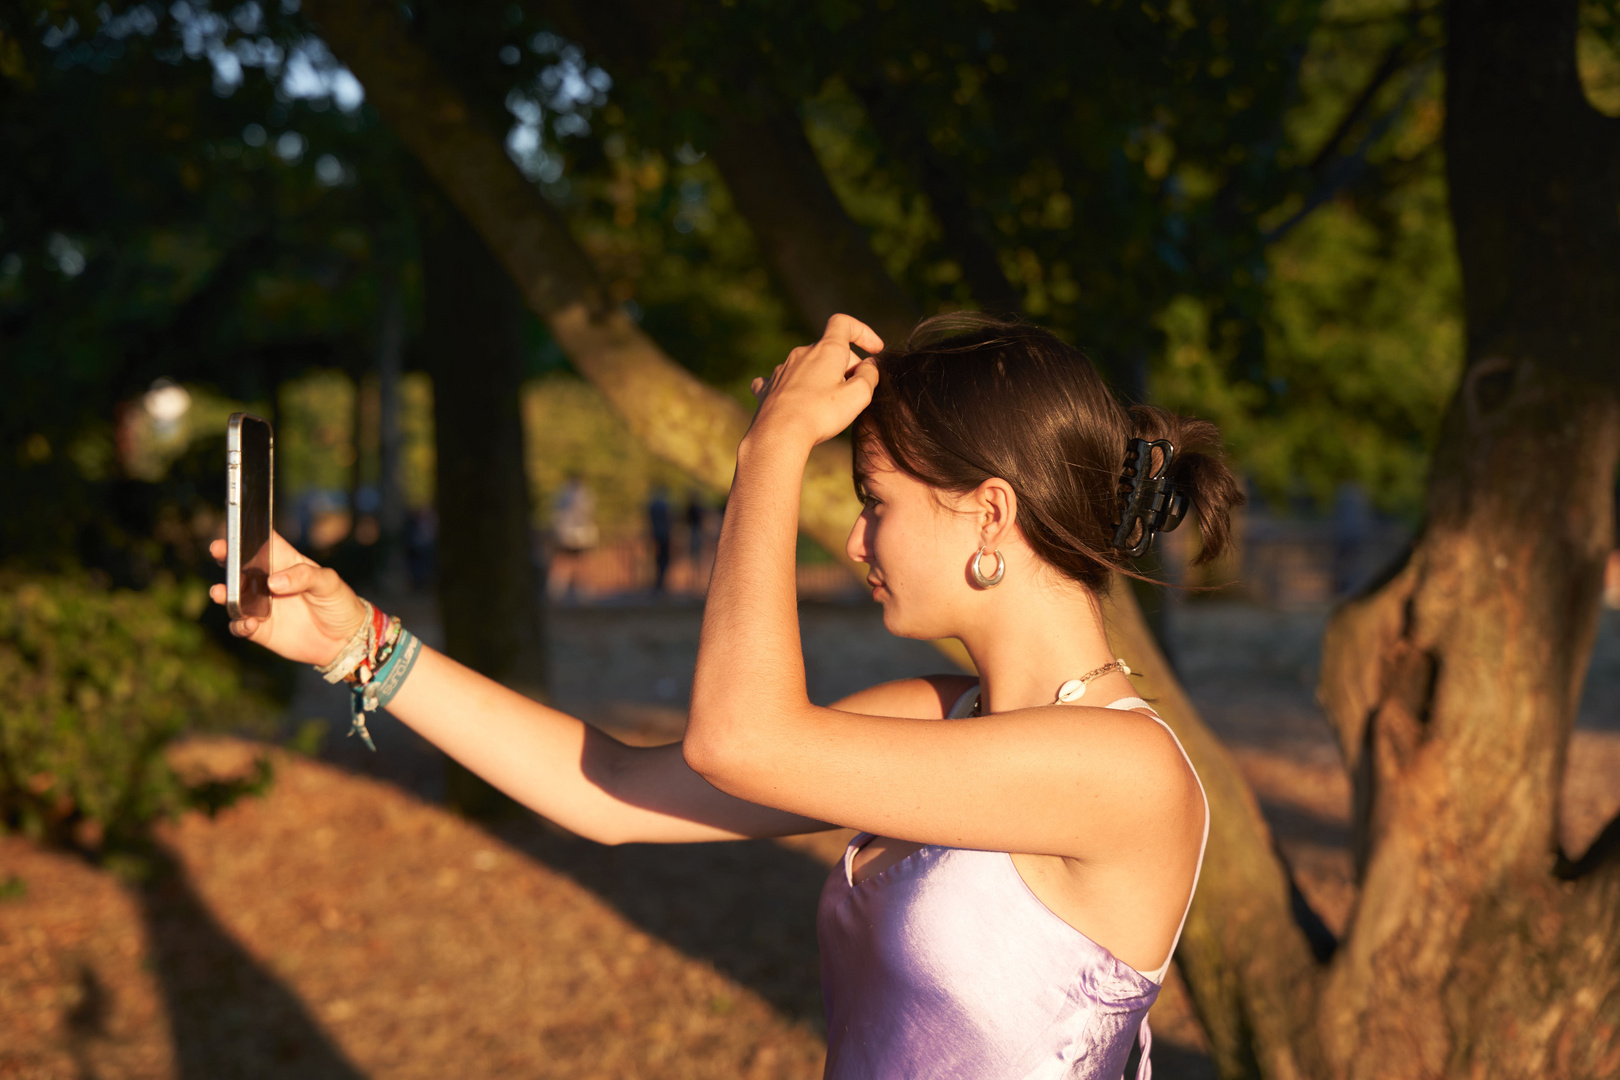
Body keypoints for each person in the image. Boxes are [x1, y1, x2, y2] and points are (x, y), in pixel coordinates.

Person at [210, 313, 1237, 1079]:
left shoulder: (1123, 769)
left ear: (989, 514)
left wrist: (772, 451)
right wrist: (359, 646)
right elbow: (610, 793)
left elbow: (741, 739)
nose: (853, 538)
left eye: (874, 503)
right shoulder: (942, 715)